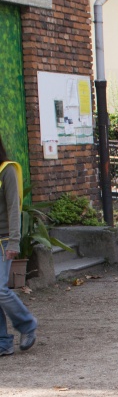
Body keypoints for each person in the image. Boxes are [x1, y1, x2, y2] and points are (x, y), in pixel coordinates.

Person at [0, 136, 36, 356]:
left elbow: (14, 208)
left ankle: (27, 324)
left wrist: (14, 241)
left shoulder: (7, 170)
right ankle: (3, 342)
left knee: (0, 290)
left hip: (3, 239)